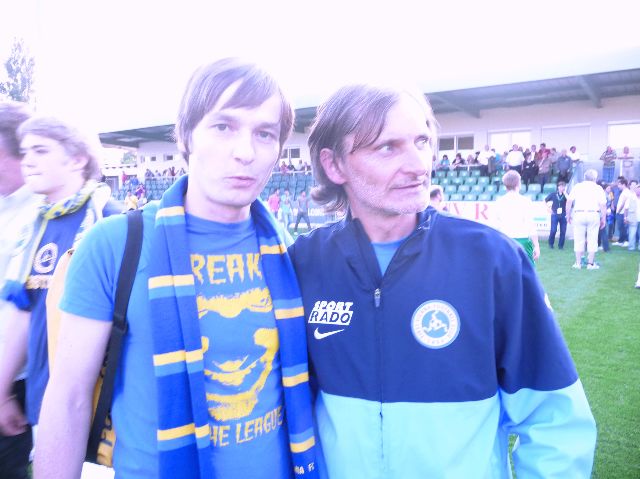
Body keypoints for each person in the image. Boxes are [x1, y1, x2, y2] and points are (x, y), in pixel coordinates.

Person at [289, 83, 596, 478]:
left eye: (422, 142)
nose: (419, 165)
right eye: (388, 147)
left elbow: (555, 423)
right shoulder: (303, 263)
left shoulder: (493, 260)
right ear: (334, 166)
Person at [33, 58, 317, 479]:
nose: (245, 152)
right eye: (223, 126)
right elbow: (69, 398)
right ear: (186, 136)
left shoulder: (289, 254)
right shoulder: (114, 245)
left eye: (265, 133)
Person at [0, 114, 119, 455]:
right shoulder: (35, 226)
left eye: (41, 151)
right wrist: (2, 392)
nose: (28, 161)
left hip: (106, 403)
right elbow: (23, 312)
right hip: (47, 397)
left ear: (77, 159)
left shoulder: (111, 220)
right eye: (25, 152)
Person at [0, 101, 39, 479]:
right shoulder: (7, 205)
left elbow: (25, 309)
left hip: (15, 379)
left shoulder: (39, 215)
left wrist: (4, 394)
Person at [494, 170, 540, 263]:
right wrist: (536, 245)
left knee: (507, 270)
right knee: (526, 271)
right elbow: (531, 226)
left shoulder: (499, 202)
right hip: (523, 242)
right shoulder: (526, 201)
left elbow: (495, 226)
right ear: (519, 184)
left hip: (505, 241)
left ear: (505, 185)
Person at [566, 169, 607, 269]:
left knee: (578, 239)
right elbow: (603, 205)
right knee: (592, 239)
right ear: (595, 178)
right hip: (593, 214)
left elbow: (569, 201)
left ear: (584, 177)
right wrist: (603, 218)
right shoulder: (598, 188)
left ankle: (578, 263)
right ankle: (590, 263)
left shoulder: (577, 186)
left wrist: (568, 215)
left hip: (579, 213)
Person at [545, 181, 568, 249]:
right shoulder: (553, 194)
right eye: (560, 186)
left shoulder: (566, 195)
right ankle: (551, 244)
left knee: (563, 231)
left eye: (563, 186)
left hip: (563, 215)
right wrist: (548, 208)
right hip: (555, 214)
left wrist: (565, 193)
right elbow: (545, 200)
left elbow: (569, 201)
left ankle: (561, 246)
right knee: (553, 230)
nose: (562, 188)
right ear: (558, 187)